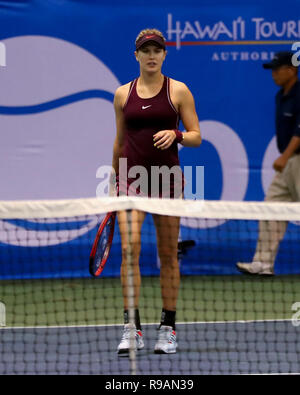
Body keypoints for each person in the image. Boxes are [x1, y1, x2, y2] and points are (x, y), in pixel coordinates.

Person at [112, 28, 201, 354]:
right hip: (131, 183)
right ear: (136, 55)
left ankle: (168, 327)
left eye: (157, 50)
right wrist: (114, 181)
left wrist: (176, 135)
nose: (151, 55)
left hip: (166, 183)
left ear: (164, 55)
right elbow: (120, 141)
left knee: (167, 256)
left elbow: (196, 135)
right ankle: (131, 328)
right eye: (145, 50)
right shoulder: (122, 94)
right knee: (130, 249)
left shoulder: (178, 91)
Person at [237, 51, 300, 276]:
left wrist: (285, 156)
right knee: (270, 207)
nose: (273, 73)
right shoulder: (279, 96)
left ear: (291, 70)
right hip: (289, 163)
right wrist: (286, 157)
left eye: (277, 68)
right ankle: (263, 263)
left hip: (297, 160)